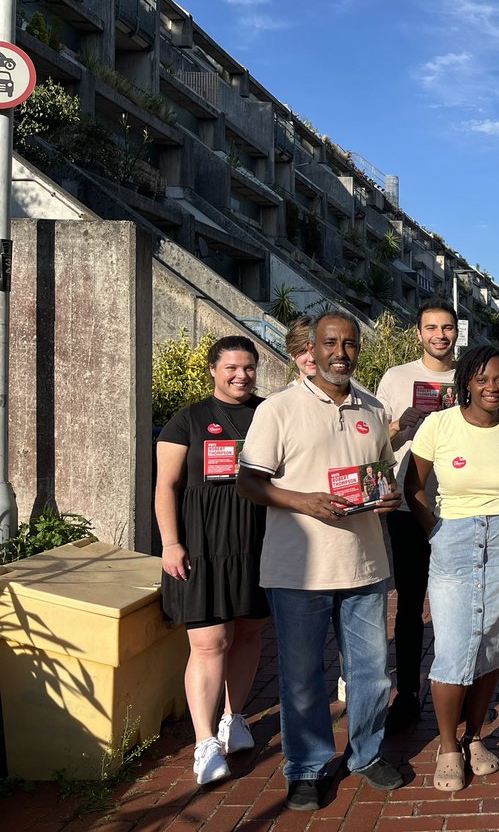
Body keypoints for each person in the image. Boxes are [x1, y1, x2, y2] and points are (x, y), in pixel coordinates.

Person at [237, 310, 404, 811]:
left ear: (358, 349)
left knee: (371, 672)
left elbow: (382, 477)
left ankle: (367, 753)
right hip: (298, 568)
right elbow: (249, 481)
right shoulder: (279, 409)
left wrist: (389, 497)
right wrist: (302, 500)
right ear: (312, 347)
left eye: (349, 343)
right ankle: (307, 767)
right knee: (302, 674)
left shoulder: (373, 409)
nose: (339, 352)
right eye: (329, 343)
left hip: (365, 565)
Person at [405, 344, 499, 792]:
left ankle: (475, 737)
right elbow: (414, 485)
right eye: (482, 378)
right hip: (455, 538)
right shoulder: (439, 424)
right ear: (466, 380)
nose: (491, 387)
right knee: (454, 646)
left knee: (492, 647)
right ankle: (447, 747)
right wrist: (435, 532)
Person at [156, 335, 270, 786]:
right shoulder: (188, 420)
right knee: (208, 643)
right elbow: (166, 485)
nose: (241, 375)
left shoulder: (268, 413)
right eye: (231, 368)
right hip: (201, 543)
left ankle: (234, 717)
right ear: (212, 370)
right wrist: (170, 543)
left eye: (249, 368)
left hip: (258, 540)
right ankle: (204, 742)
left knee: (247, 633)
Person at [374, 298, 459, 731]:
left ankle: (454, 688)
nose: (439, 336)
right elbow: (372, 444)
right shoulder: (396, 378)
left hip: (460, 506)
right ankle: (407, 692)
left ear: (456, 332)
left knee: (455, 606)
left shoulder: (468, 377)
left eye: (447, 328)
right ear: (419, 332)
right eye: (431, 328)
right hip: (410, 505)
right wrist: (399, 427)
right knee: (409, 603)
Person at [270, 316, 316, 395]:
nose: (311, 358)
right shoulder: (277, 399)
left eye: (316, 350)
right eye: (303, 351)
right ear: (292, 354)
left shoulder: (342, 397)